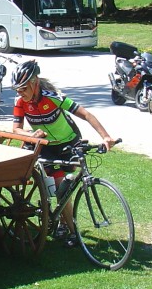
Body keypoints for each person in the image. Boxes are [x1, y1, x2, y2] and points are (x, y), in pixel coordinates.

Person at [11, 60, 118, 245]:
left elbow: (85, 114)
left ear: (35, 82)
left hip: (69, 141)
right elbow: (16, 129)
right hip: (47, 146)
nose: (20, 93)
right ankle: (69, 229)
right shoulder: (20, 103)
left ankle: (61, 220)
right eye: (17, 89)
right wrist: (31, 134)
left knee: (65, 187)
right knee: (61, 185)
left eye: (23, 88)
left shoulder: (53, 97)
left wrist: (106, 136)